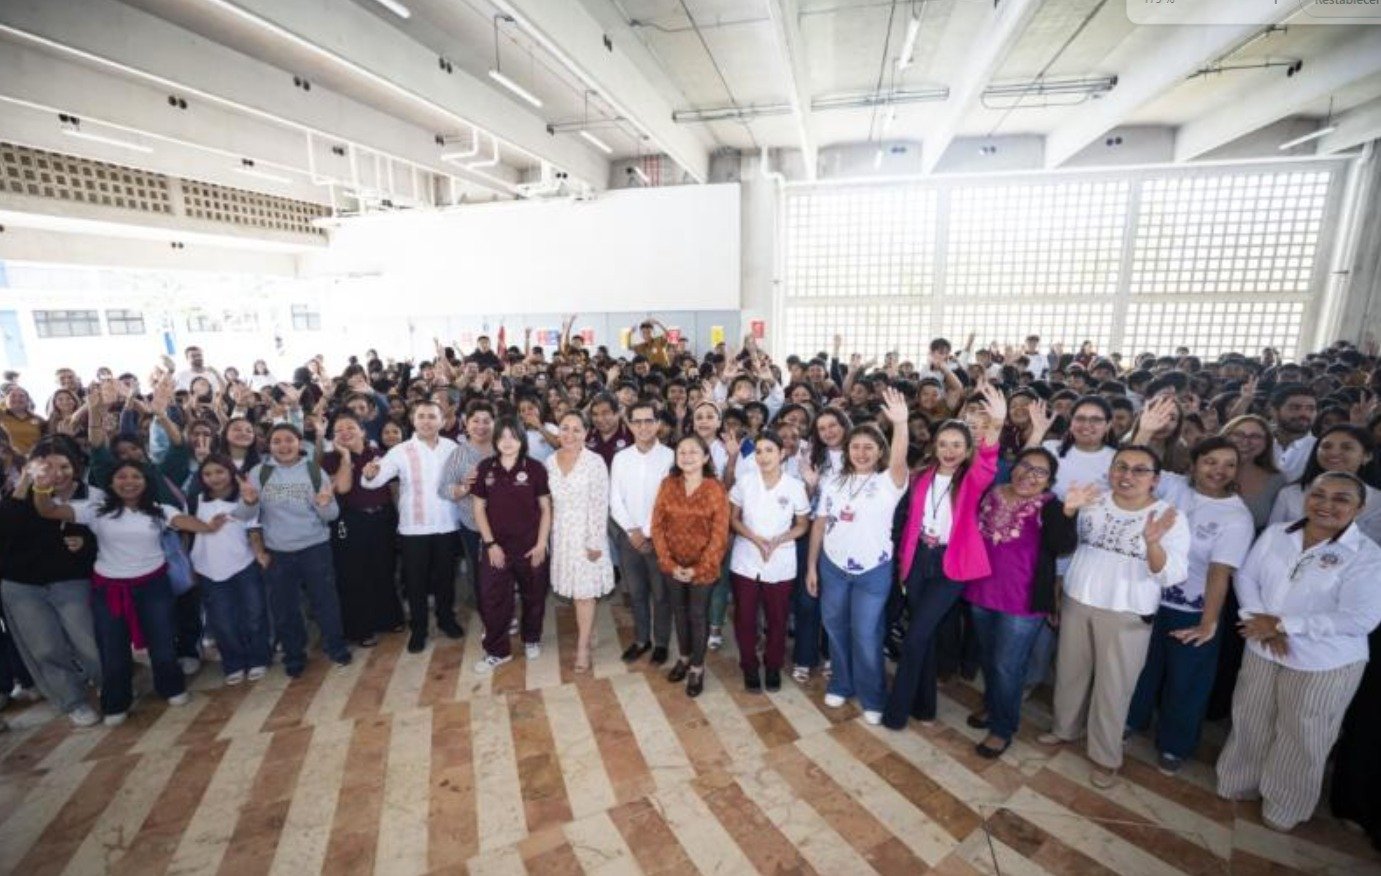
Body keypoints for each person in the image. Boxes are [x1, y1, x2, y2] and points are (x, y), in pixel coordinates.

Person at [1217, 472, 1381, 832]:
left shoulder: (1366, 555)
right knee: (1251, 718)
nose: (1326, 504)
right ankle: (1240, 781)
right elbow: (1246, 577)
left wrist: (1282, 625)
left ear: (1360, 508)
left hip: (1324, 661)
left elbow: (1360, 618)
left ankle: (1285, 805)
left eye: (1340, 499)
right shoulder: (1279, 533)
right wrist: (1257, 620)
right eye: (1318, 494)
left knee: (1304, 735)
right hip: (1262, 647)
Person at [1038, 446, 1190, 789]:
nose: (1127, 475)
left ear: (1156, 478)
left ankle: (1106, 757)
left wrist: (1153, 543)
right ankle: (1064, 729)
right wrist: (1068, 511)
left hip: (1127, 612)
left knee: (1114, 687)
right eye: (1121, 467)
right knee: (1070, 674)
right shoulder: (1094, 500)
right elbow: (1062, 544)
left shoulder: (1168, 517)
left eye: (1139, 470)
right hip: (1079, 600)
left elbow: (1172, 575)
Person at [32, 459, 228, 724]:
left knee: (163, 642)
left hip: (153, 585)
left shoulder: (158, 510)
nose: (129, 482)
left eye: (136, 477)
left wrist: (209, 527)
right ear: (111, 483)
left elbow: (184, 521)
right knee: (112, 648)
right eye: (122, 477)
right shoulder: (96, 510)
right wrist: (41, 489)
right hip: (109, 588)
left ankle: (172, 687)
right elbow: (49, 511)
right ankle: (115, 704)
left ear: (146, 483)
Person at [1127, 437, 1255, 774]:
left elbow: (1219, 572)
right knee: (1141, 668)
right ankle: (1130, 721)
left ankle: (1174, 745)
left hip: (1193, 608)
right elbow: (1135, 463)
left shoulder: (1237, 516)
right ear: (1194, 462)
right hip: (1147, 598)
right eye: (1210, 461)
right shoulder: (1172, 485)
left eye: (1229, 464)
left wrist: (1208, 622)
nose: (1219, 470)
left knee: (1187, 682)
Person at [883, 383, 1006, 730]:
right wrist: (901, 425)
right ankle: (925, 707)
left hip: (951, 567)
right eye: (943, 444)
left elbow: (988, 461)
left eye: (957, 445)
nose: (949, 451)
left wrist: (995, 425)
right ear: (934, 447)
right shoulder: (922, 476)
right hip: (919, 560)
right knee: (926, 636)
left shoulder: (972, 479)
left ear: (968, 449)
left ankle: (896, 712)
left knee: (916, 636)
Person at [962, 447, 1078, 757]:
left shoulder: (1052, 506)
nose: (1029, 474)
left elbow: (1062, 545)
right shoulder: (994, 491)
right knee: (988, 658)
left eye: (1040, 472)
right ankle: (991, 704)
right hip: (981, 591)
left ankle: (1002, 728)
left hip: (1023, 602)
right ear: (1013, 467)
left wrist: (1069, 514)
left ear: (1049, 481)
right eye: (1025, 465)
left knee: (1007, 666)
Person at [805, 387, 911, 724]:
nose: (862, 452)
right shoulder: (833, 482)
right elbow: (820, 524)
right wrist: (811, 566)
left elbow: (899, 458)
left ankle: (873, 696)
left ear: (879, 451)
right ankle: (841, 682)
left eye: (869, 447)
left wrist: (901, 424)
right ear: (847, 450)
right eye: (856, 447)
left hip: (872, 571)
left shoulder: (889, 482)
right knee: (835, 627)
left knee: (866, 634)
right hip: (832, 566)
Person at [236, 424, 351, 677]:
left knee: (325, 602)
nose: (284, 446)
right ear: (269, 445)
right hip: (279, 553)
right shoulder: (259, 473)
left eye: (289, 440)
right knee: (285, 609)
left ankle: (336, 647)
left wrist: (324, 504)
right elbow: (244, 515)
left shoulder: (313, 470)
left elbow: (331, 515)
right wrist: (249, 501)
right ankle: (294, 655)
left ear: (300, 443)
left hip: (315, 548)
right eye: (277, 441)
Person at [1, 445, 102, 727]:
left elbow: (104, 535)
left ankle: (109, 683)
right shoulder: (18, 496)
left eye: (64, 467)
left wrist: (85, 544)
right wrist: (24, 485)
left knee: (88, 641)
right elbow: (7, 528)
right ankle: (73, 701)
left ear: (75, 469)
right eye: (47, 467)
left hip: (69, 580)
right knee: (45, 647)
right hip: (22, 586)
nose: (56, 474)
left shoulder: (88, 496)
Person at [364, 401, 465, 653]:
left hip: (447, 523)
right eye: (422, 416)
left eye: (432, 416)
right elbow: (376, 478)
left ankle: (446, 619)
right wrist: (369, 474)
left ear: (442, 421)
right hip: (414, 528)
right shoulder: (401, 450)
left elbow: (465, 479)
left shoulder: (453, 448)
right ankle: (418, 629)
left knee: (446, 578)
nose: (427, 421)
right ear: (413, 420)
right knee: (415, 582)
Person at [728, 431, 809, 692]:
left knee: (778, 618)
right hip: (746, 558)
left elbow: (802, 525)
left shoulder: (794, 486)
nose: (763, 456)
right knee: (745, 618)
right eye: (759, 451)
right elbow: (734, 519)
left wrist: (777, 540)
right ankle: (749, 666)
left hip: (781, 559)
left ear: (782, 453)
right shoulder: (745, 482)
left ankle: (773, 665)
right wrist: (755, 538)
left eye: (770, 450)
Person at [470, 417, 552, 673]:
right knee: (492, 597)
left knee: (534, 594)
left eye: (513, 436)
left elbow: (546, 508)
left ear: (521, 440)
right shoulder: (485, 468)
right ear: (495, 440)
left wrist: (541, 544)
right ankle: (497, 651)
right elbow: (478, 508)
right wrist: (490, 543)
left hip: (530, 546)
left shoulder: (536, 468)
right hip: (496, 548)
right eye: (502, 436)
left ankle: (531, 638)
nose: (507, 442)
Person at [652, 434, 731, 697]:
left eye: (693, 452)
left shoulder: (715, 489)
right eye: (681, 452)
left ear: (706, 457)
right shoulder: (667, 484)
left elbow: (720, 535)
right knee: (679, 612)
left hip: (704, 568)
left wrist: (698, 568)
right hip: (672, 565)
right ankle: (684, 658)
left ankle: (697, 667)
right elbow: (657, 526)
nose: (686, 456)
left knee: (698, 615)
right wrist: (668, 562)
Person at [187, 454, 271, 685]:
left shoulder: (244, 498)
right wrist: (188, 563)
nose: (214, 478)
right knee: (222, 620)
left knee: (254, 614)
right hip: (208, 569)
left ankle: (258, 658)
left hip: (244, 564)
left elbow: (254, 529)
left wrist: (260, 553)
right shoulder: (196, 500)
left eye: (220, 472)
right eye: (208, 473)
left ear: (231, 473)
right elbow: (188, 532)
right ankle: (233, 663)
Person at [322, 411, 403, 647]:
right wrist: (346, 458)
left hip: (382, 518)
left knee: (384, 569)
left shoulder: (378, 454)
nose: (345, 432)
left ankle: (388, 619)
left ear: (363, 431)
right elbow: (344, 488)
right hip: (350, 521)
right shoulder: (330, 459)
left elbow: (393, 489)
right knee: (354, 575)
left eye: (350, 427)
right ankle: (361, 629)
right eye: (339, 430)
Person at [545, 411, 614, 673]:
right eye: (564, 428)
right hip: (562, 535)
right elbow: (547, 503)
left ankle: (583, 647)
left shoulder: (594, 462)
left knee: (585, 594)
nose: (570, 435)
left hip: (587, 534)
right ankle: (590, 627)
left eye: (576, 429)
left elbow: (600, 504)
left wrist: (595, 541)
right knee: (576, 592)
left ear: (586, 433)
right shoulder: (550, 462)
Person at [610, 401, 675, 665]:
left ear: (658, 424)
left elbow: (669, 501)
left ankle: (661, 643)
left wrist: (648, 532)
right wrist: (633, 532)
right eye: (637, 421)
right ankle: (641, 640)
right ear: (629, 425)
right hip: (629, 538)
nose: (643, 426)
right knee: (635, 593)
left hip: (661, 539)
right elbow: (615, 499)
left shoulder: (671, 456)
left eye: (649, 421)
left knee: (661, 595)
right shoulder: (620, 458)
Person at [1268, 424, 1381, 544]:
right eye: (1326, 446)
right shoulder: (1289, 494)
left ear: (1367, 456)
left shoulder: (1378, 501)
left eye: (1346, 447)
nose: (1334, 452)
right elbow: (1272, 539)